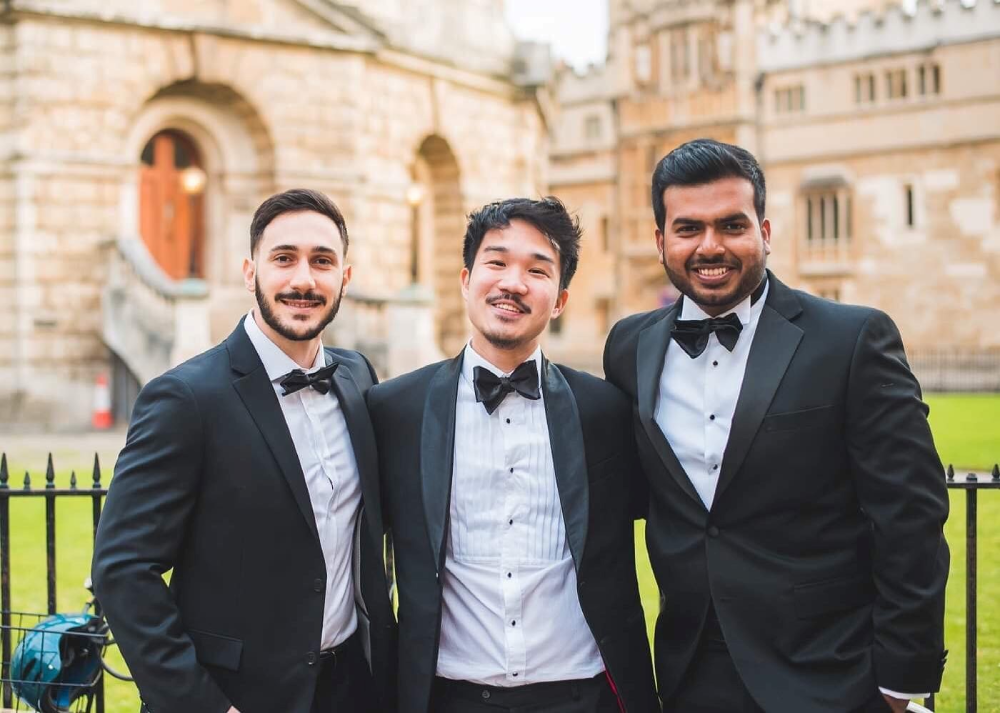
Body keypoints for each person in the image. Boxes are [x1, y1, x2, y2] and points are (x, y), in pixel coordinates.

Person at [603, 138, 950, 713]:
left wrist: (901, 681)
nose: (710, 246)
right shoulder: (629, 346)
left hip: (831, 671)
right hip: (690, 672)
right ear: (660, 240)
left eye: (731, 225)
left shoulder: (852, 339)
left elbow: (910, 514)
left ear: (764, 232)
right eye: (688, 228)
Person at [91, 189, 396, 713]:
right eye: (284, 258)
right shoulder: (185, 398)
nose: (303, 279)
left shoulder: (356, 376)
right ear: (249, 272)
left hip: (352, 688)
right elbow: (122, 570)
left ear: (344, 278)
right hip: (237, 696)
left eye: (322, 261)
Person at [367, 197, 658, 713]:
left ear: (561, 299)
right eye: (497, 262)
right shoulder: (394, 410)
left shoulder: (608, 411)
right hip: (445, 696)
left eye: (537, 270)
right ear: (465, 278)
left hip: (582, 694)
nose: (513, 283)